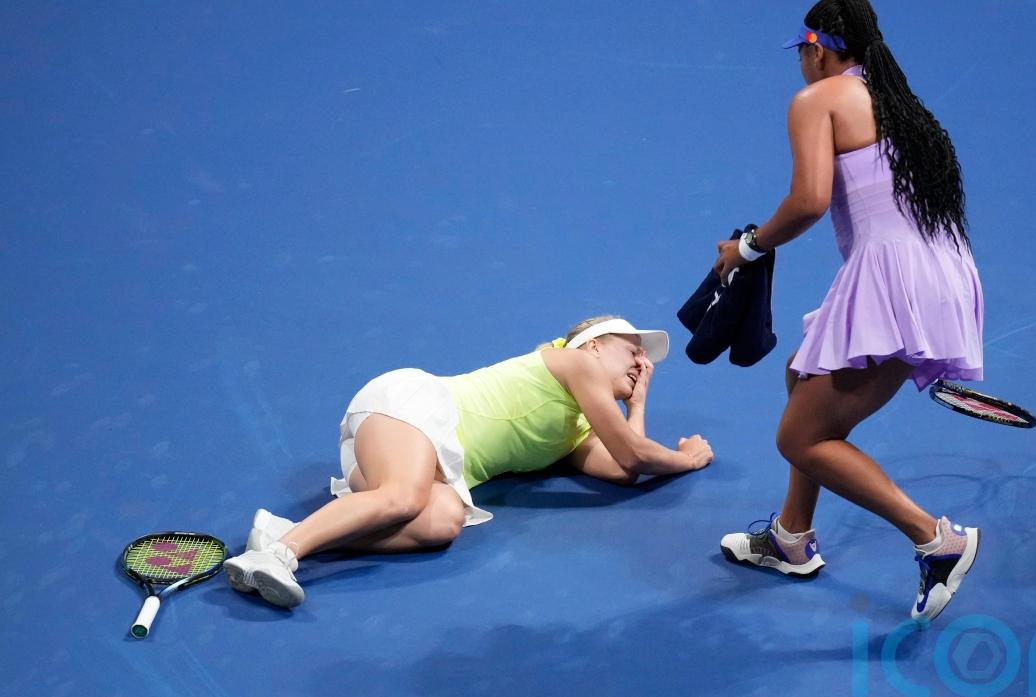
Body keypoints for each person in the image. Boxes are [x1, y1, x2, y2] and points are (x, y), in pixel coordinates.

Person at [712, 0, 984, 623]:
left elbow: (809, 201)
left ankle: (936, 541)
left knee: (801, 437)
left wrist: (747, 247)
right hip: (942, 272)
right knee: (801, 375)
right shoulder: (897, 102)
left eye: (802, 54)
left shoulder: (818, 99)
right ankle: (791, 537)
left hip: (893, 280)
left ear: (817, 49)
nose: (802, 66)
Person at [222, 316, 713, 608]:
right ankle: (277, 556)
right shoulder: (574, 362)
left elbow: (624, 468)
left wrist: (637, 404)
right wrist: (684, 459)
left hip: (411, 457)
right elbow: (634, 453)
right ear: (593, 346)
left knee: (442, 521)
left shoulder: (577, 432)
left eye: (645, 361)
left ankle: (289, 534)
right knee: (404, 497)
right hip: (408, 408)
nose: (642, 364)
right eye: (633, 351)